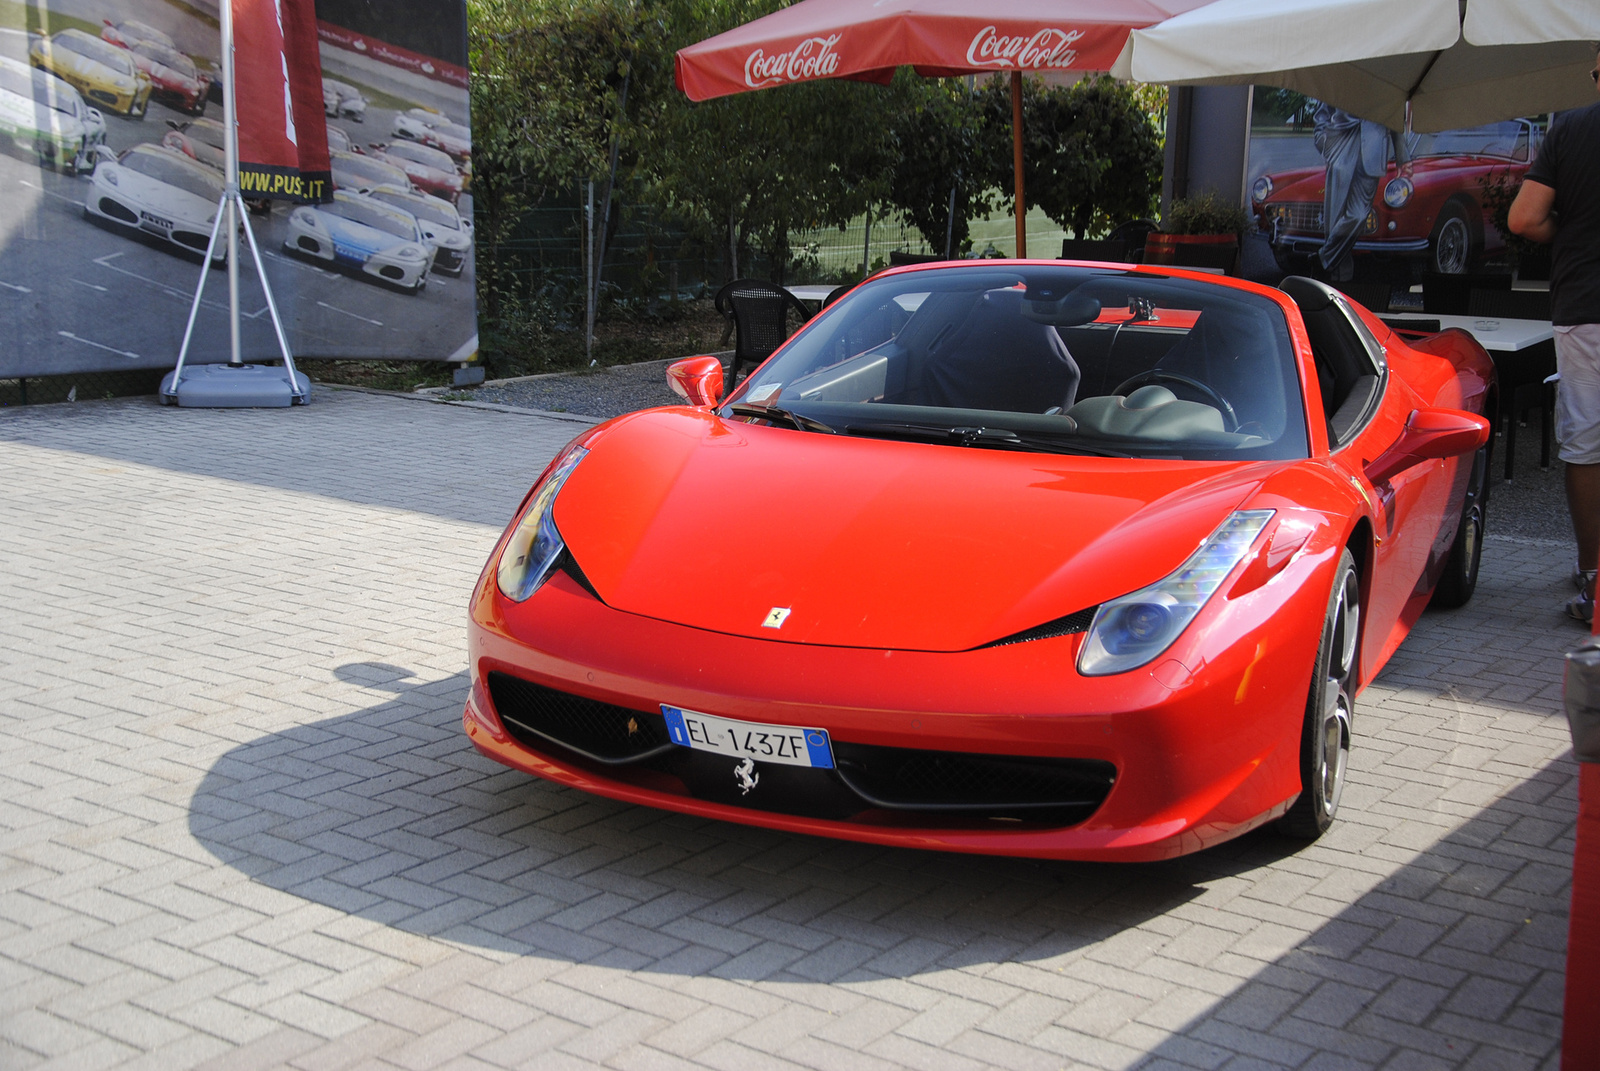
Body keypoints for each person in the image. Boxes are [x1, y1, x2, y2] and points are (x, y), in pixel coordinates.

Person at [1509, 44, 1600, 625]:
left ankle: (1593, 579)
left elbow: (1522, 218)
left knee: (1588, 445)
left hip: (1585, 306)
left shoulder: (1570, 130)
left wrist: (1570, 228)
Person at [1312, 104, 1410, 282]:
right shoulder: (1338, 77)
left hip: (1372, 153)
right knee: (1334, 219)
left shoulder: (1385, 80)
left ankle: (1321, 259)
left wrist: (1402, 158)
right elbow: (1322, 113)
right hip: (1339, 149)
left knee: (1358, 215)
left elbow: (1395, 118)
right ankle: (1340, 279)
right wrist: (1325, 144)